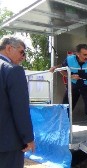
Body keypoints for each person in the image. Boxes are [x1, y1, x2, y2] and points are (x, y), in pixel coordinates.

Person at [0, 36, 35, 168]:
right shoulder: (13, 70)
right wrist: (28, 138)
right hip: (7, 144)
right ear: (9, 48)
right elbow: (20, 109)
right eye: (22, 52)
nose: (24, 57)